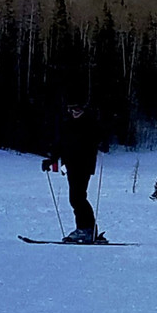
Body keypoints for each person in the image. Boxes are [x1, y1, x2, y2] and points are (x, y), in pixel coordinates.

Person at [42, 99, 107, 243]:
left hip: (83, 165)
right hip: (70, 165)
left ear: (84, 110)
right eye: (72, 110)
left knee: (77, 197)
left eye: (77, 110)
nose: (74, 113)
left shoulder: (90, 124)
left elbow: (100, 138)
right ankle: (88, 230)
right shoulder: (67, 125)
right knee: (77, 198)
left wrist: (103, 143)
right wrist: (51, 160)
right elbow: (60, 145)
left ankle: (85, 229)